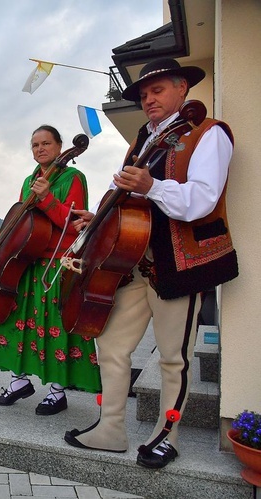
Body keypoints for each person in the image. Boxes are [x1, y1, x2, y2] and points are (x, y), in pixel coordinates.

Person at [63, 58, 237, 469]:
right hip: (135, 261)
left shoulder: (209, 134)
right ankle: (111, 427)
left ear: (182, 89)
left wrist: (153, 185)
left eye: (157, 90)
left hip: (183, 261)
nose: (149, 99)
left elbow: (203, 199)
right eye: (144, 95)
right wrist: (98, 217)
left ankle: (167, 434)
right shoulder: (144, 139)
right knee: (111, 342)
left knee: (173, 356)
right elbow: (122, 191)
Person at [0, 126, 101, 415]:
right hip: (27, 261)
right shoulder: (29, 180)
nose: (40, 149)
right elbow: (24, 221)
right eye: (35, 145)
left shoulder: (73, 177)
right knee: (11, 321)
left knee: (55, 326)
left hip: (57, 264)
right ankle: (19, 381)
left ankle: (57, 391)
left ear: (60, 147)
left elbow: (73, 224)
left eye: (46, 143)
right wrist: (1, 236)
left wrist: (47, 197)